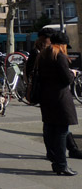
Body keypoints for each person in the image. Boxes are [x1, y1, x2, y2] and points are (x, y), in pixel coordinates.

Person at [38, 31, 78, 176]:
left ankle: (55, 159)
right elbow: (66, 79)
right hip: (60, 98)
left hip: (46, 97)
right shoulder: (59, 56)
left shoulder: (43, 55)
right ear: (62, 45)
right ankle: (61, 164)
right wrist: (72, 73)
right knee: (62, 131)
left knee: (50, 129)